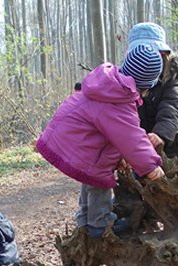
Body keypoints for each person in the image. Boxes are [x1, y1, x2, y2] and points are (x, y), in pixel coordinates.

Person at [37, 44, 165, 238]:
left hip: (68, 141)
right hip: (78, 146)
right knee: (100, 181)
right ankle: (100, 222)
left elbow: (112, 134)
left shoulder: (107, 85)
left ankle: (85, 218)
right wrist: (151, 167)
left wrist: (118, 158)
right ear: (145, 84)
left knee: (89, 179)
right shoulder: (117, 101)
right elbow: (132, 139)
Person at [129, 22, 178, 198]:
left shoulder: (172, 83)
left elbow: (171, 111)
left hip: (173, 151)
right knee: (139, 191)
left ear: (164, 55)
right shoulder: (135, 82)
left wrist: (160, 134)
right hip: (143, 151)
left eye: (153, 54)